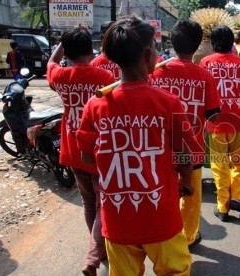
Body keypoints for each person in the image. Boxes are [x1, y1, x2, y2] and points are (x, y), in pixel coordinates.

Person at [76, 16, 195, 275]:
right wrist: (186, 182)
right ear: (147, 53)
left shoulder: (95, 106)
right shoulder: (168, 102)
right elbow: (185, 155)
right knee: (175, 270)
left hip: (118, 222)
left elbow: (86, 158)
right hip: (161, 217)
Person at [46, 26, 115, 276]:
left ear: (68, 52)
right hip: (98, 150)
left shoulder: (61, 76)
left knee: (88, 203)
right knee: (101, 205)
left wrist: (63, 43)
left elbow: (51, 62)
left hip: (72, 148)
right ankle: (94, 254)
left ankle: (98, 248)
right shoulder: (105, 79)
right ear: (90, 49)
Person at [149, 20, 220, 248]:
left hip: (158, 148)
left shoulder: (155, 72)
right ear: (198, 45)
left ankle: (162, 233)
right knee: (190, 197)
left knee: (162, 192)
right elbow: (214, 115)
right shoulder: (204, 76)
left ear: (172, 42)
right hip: (192, 148)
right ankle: (188, 238)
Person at [199, 25, 240, 222]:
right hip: (239, 121)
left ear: (212, 43)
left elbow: (200, 95)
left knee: (219, 164)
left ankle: (223, 206)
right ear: (232, 43)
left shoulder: (205, 63)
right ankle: (238, 198)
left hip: (214, 123)